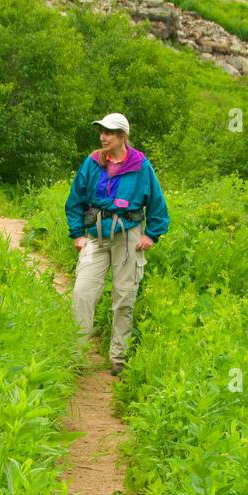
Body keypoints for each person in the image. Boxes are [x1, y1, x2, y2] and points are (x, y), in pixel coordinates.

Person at [64, 112, 169, 376]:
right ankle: (75, 355)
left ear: (122, 136)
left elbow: (157, 204)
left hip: (129, 236)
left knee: (124, 296)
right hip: (96, 237)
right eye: (101, 131)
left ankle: (118, 357)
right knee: (82, 293)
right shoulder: (92, 163)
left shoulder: (141, 166)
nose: (103, 137)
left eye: (108, 132)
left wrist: (151, 234)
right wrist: (77, 233)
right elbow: (75, 199)